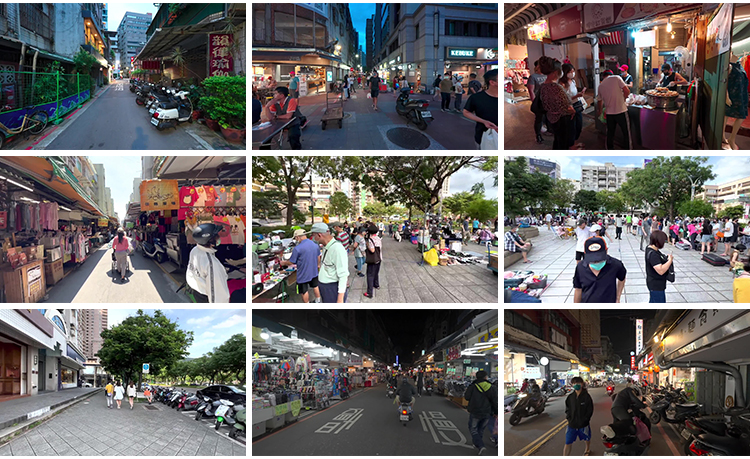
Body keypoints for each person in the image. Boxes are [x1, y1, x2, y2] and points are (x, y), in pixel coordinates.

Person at [573, 236, 627, 303]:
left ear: (606, 251)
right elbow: (578, 289)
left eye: (599, 259)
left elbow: (622, 279)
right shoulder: (580, 267)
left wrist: (618, 297)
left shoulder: (616, 265)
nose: (596, 262)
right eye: (592, 260)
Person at [186, 223, 230, 303]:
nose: (219, 237)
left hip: (196, 292)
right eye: (216, 235)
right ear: (210, 240)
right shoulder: (212, 264)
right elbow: (218, 295)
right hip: (206, 298)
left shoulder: (195, 250)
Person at [539, 57, 575, 150]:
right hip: (562, 119)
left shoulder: (543, 86)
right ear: (556, 72)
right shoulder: (557, 87)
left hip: (551, 118)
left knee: (558, 140)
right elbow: (566, 106)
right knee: (563, 142)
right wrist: (572, 111)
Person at [310, 223, 349, 303]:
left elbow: (343, 275)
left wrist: (340, 299)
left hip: (332, 289)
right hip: (325, 288)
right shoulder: (326, 246)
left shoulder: (337, 249)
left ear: (319, 235)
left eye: (313, 235)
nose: (313, 238)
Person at [280, 229, 322, 303]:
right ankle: (318, 301)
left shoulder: (298, 248)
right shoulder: (315, 245)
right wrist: (318, 265)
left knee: (303, 290)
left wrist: (283, 263)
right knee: (315, 286)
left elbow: (291, 262)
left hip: (303, 273)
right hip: (313, 270)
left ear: (298, 237)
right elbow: (318, 256)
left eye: (296, 238)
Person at [464, 370, 498, 456]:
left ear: (476, 377)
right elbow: (495, 401)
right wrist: (496, 412)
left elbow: (467, 397)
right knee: (481, 429)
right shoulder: (492, 387)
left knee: (473, 429)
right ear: (486, 377)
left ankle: (480, 446)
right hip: (487, 412)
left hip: (475, 411)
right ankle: (477, 443)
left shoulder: (472, 386)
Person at [597, 69, 632, 150]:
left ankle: (610, 150)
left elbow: (599, 101)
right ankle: (628, 150)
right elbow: (627, 91)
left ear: (603, 76)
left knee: (610, 134)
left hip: (609, 114)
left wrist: (600, 111)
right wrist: (623, 99)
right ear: (611, 74)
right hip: (621, 111)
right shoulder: (616, 78)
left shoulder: (600, 86)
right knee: (626, 133)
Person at [563, 376, 594, 456]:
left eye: (578, 383)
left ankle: (587, 449)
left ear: (582, 384)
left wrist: (586, 420)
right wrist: (569, 418)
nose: (576, 385)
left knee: (586, 438)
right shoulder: (570, 397)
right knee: (568, 442)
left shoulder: (586, 396)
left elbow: (590, 410)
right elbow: (567, 409)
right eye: (574, 383)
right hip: (572, 424)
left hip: (583, 424)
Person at [559, 63, 587, 148]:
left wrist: (580, 94)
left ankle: (574, 142)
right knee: (572, 128)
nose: (573, 73)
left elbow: (573, 93)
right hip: (569, 107)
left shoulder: (573, 81)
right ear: (565, 72)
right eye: (570, 71)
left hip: (577, 104)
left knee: (579, 126)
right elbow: (564, 99)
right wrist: (576, 96)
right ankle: (571, 145)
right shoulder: (562, 84)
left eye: (573, 71)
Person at [645, 230, 673, 303]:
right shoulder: (653, 254)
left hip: (655, 283)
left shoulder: (651, 248)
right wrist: (670, 260)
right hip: (656, 285)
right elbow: (660, 271)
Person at [528, 60, 552, 144]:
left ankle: (549, 130)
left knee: (548, 116)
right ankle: (538, 135)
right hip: (539, 100)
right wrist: (534, 102)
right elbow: (531, 90)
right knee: (539, 119)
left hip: (548, 100)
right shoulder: (533, 77)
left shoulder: (547, 75)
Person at [363, 223, 382, 299]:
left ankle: (369, 292)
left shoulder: (371, 240)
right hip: (379, 258)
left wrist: (367, 244)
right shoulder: (378, 238)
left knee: (370, 275)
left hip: (372, 260)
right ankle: (376, 285)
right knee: (376, 273)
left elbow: (372, 250)